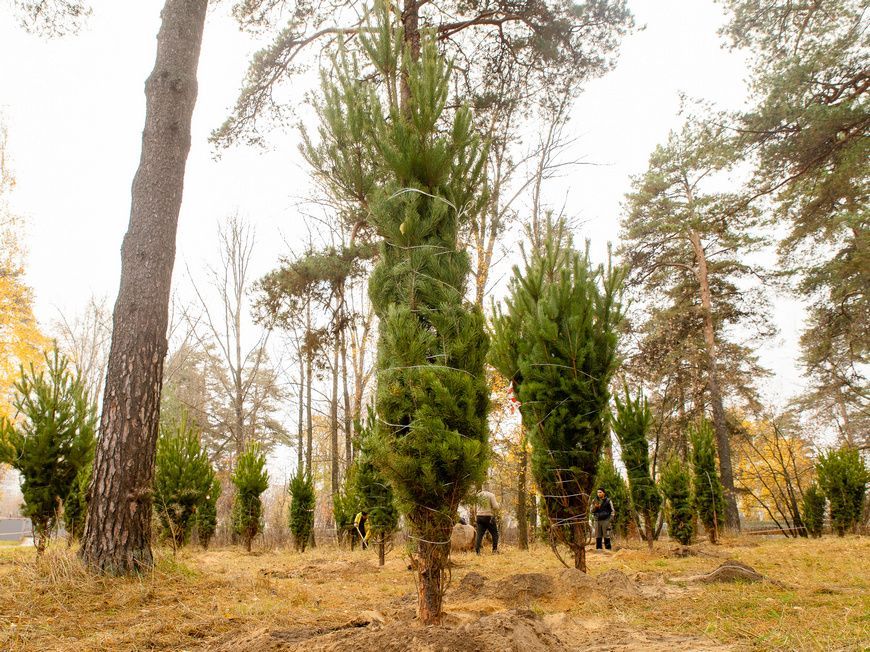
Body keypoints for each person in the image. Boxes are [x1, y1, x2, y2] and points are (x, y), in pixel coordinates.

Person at [474, 486, 500, 554]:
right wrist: (498, 504)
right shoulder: (491, 495)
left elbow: (475, 507)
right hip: (488, 516)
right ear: (488, 488)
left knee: (479, 534)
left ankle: (477, 551)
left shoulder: (478, 495)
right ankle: (494, 550)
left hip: (479, 516)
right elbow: (495, 507)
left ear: (482, 488)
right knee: (495, 533)